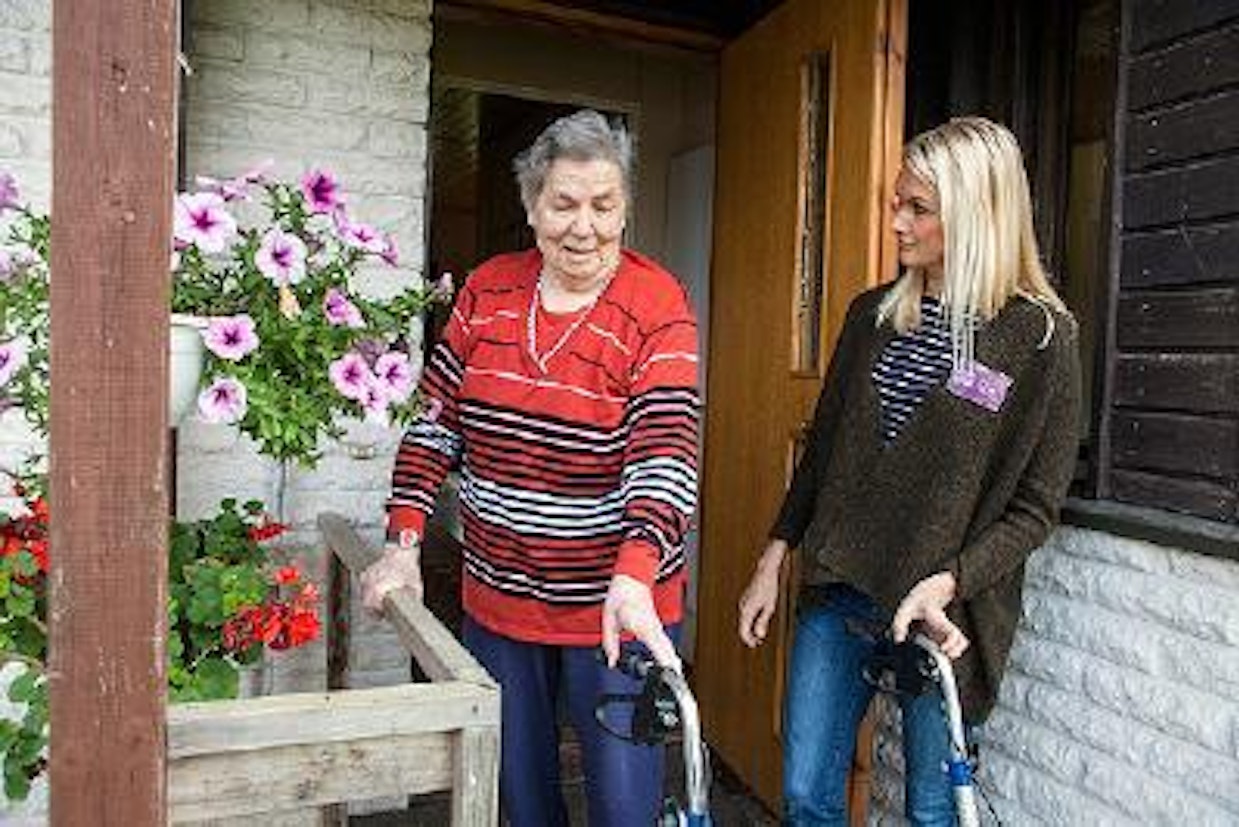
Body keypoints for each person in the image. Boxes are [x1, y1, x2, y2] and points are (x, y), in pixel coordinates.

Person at [737, 116, 1081, 826]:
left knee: (932, 809)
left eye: (917, 208)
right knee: (805, 794)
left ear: (975, 212)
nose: (896, 222)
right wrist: (774, 557)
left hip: (943, 609)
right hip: (842, 584)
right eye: (898, 202)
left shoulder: (1040, 339)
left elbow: (1035, 508)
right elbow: (824, 452)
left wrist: (951, 578)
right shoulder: (873, 316)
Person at [361, 109, 699, 827]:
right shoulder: (487, 292)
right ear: (531, 206)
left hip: (615, 602)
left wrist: (636, 573)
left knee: (623, 808)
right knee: (520, 793)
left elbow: (665, 453)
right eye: (564, 204)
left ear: (625, 208)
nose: (585, 227)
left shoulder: (656, 303)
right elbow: (435, 423)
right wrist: (402, 543)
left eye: (604, 205)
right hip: (501, 595)